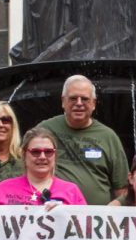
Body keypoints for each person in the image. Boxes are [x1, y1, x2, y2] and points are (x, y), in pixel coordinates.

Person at [39, 75, 129, 205]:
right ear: (63, 101)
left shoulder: (108, 137)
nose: (79, 103)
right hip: (54, 216)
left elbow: (123, 188)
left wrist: (115, 206)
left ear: (93, 103)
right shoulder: (44, 130)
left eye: (85, 99)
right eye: (73, 98)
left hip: (96, 220)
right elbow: (24, 165)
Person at [0, 127, 86, 206]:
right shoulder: (4, 188)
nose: (42, 157)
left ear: (55, 155)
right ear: (24, 154)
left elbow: (87, 228)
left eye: (48, 152)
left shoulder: (71, 191)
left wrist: (66, 213)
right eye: (36, 152)